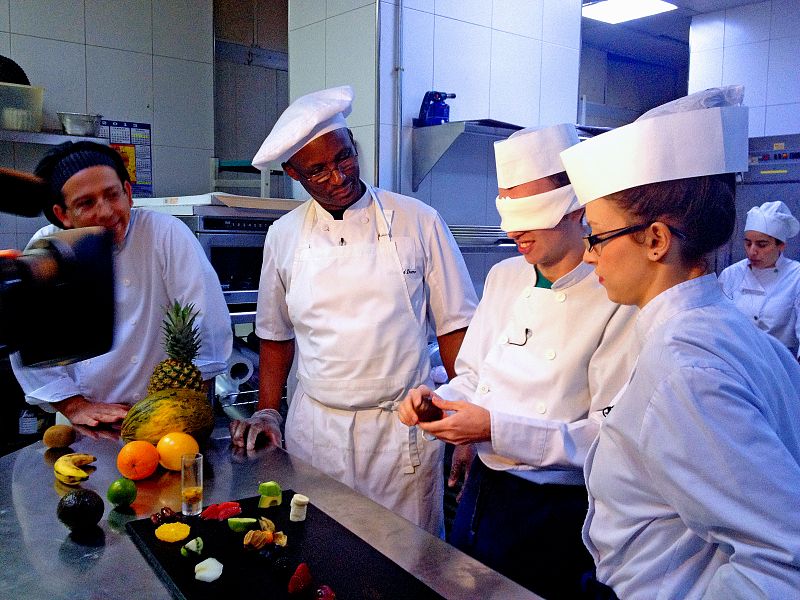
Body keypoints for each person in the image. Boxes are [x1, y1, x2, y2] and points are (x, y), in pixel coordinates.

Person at [559, 86, 800, 598]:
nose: (587, 257)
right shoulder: (722, 328)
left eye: (597, 237)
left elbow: (782, 562)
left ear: (655, 240)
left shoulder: (683, 368)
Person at [397, 124, 638, 598]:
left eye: (529, 211)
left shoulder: (617, 295)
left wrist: (491, 428)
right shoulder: (505, 276)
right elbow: (471, 376)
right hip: (486, 492)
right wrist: (439, 400)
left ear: (576, 206)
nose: (512, 229)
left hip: (558, 509)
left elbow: (606, 440)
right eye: (507, 208)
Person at [229, 86, 477, 535]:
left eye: (344, 158)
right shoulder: (284, 236)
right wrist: (268, 410)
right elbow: (274, 335)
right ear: (293, 174)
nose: (339, 177)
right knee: (321, 551)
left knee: (406, 562)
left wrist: (467, 418)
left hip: (400, 433)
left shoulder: (418, 221)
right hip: (316, 432)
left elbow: (455, 327)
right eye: (318, 171)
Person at [11, 141, 232, 428]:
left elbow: (206, 324)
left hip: (164, 413)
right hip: (83, 417)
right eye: (86, 203)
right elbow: (29, 345)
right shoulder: (47, 249)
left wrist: (178, 413)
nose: (105, 211)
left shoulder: (165, 234)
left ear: (128, 194)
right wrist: (74, 406)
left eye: (112, 195)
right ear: (63, 214)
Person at [719, 200, 800, 357]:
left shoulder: (796, 276)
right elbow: (718, 325)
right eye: (748, 243)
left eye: (762, 245)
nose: (752, 252)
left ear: (781, 245)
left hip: (780, 364)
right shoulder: (731, 275)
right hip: (736, 361)